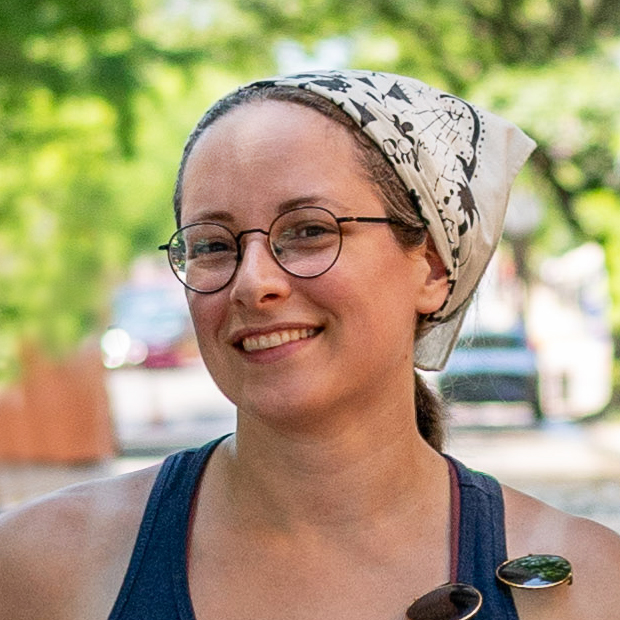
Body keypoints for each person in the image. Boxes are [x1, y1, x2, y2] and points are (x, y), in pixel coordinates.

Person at [1, 69, 619, 620]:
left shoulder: (593, 587)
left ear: (431, 268)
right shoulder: (40, 569)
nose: (253, 282)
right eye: (212, 244)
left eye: (308, 231)